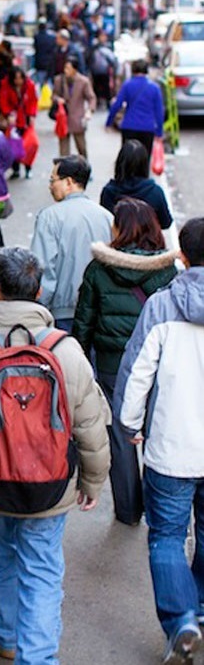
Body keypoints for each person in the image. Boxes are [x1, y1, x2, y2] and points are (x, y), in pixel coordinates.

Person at [0, 247, 110, 664]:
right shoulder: (66, 351)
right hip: (52, 484)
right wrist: (93, 481)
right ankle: (38, 658)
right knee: (42, 569)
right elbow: (90, 425)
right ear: (39, 292)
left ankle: (5, 636)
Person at [114, 217, 204, 663]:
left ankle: (181, 618)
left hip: (171, 448)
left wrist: (129, 424)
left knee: (166, 536)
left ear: (182, 257)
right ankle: (199, 608)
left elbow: (136, 375)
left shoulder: (162, 305)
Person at [72, 198, 177, 526]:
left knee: (119, 436)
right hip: (157, 364)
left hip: (112, 364)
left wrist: (80, 361)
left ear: (120, 229)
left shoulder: (99, 269)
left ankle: (129, 510)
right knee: (156, 432)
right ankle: (160, 509)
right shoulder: (167, 270)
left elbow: (84, 321)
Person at [30, 155, 113, 332]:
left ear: (68, 182)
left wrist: (38, 310)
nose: (50, 186)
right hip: (100, 312)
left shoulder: (49, 217)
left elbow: (43, 269)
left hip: (62, 314)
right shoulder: (107, 217)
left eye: (53, 180)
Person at [100, 139, 173, 230]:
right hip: (147, 238)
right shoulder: (155, 192)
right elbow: (166, 223)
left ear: (119, 163)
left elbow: (104, 223)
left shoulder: (109, 192)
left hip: (118, 238)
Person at [106, 59, 164, 159]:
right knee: (144, 158)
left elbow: (117, 104)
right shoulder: (154, 88)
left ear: (133, 70)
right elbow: (159, 111)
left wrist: (109, 122)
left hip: (129, 126)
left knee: (128, 158)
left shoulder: (127, 85)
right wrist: (159, 131)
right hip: (147, 128)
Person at [52, 55, 96, 158]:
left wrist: (90, 110)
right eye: (65, 68)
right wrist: (58, 99)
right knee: (63, 151)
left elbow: (91, 97)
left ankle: (84, 166)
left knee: (81, 148)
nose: (66, 71)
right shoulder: (59, 80)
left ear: (75, 69)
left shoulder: (83, 81)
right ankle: (64, 167)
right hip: (63, 118)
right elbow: (54, 95)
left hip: (77, 118)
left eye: (68, 68)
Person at [0, 66, 38, 179]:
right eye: (16, 79)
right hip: (14, 120)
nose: (18, 81)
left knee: (31, 145)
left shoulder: (29, 85)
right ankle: (16, 169)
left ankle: (28, 167)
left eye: (20, 78)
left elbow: (33, 101)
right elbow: (3, 101)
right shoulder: (6, 85)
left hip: (26, 119)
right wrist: (8, 114)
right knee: (13, 145)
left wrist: (32, 114)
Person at [87, 31, 117, 110]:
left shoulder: (108, 46)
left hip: (105, 71)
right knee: (96, 87)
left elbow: (112, 59)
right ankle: (96, 102)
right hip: (95, 71)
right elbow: (90, 57)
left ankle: (107, 102)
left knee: (106, 87)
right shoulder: (95, 47)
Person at [33, 15, 57, 86]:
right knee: (50, 85)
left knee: (42, 85)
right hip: (49, 64)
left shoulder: (37, 36)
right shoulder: (52, 37)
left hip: (40, 64)